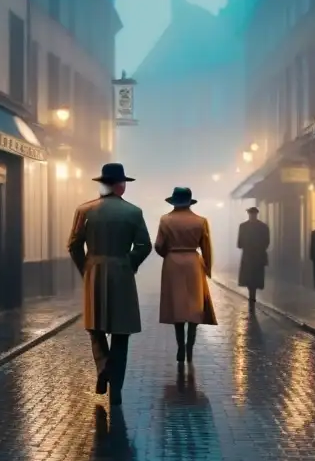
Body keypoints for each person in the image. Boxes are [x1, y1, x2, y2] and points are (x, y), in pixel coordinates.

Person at [67, 162, 152, 406]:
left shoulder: (84, 210)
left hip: (94, 270)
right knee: (121, 332)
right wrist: (130, 263)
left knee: (95, 325)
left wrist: (86, 267)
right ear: (120, 185)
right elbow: (144, 245)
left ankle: (104, 366)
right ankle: (116, 390)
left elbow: (73, 244)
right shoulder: (133, 212)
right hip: (122, 272)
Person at [154, 187, 217, 364]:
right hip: (193, 264)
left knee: (177, 306)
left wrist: (168, 254)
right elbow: (206, 247)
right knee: (194, 306)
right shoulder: (200, 221)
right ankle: (190, 346)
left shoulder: (165, 220)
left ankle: (180, 345)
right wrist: (208, 267)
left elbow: (158, 245)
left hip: (172, 263)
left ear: (173, 201)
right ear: (190, 201)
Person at [237, 206, 270, 311]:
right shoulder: (261, 226)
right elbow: (239, 243)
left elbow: (266, 241)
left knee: (253, 277)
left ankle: (252, 296)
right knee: (251, 278)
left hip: (253, 256)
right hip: (253, 256)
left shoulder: (246, 226)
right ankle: (252, 295)